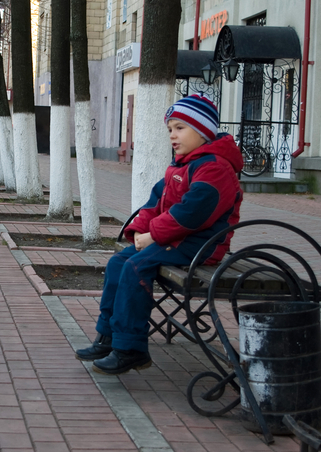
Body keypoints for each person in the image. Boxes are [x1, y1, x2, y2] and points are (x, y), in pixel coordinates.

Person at [77, 94, 244, 375]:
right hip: (176, 240)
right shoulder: (183, 164)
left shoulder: (214, 167)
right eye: (170, 129)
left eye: (180, 128)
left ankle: (131, 349)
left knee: (135, 266)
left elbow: (194, 212)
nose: (173, 135)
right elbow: (156, 202)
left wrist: (152, 236)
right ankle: (108, 337)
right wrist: (140, 229)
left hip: (200, 245)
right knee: (118, 263)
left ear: (203, 131)